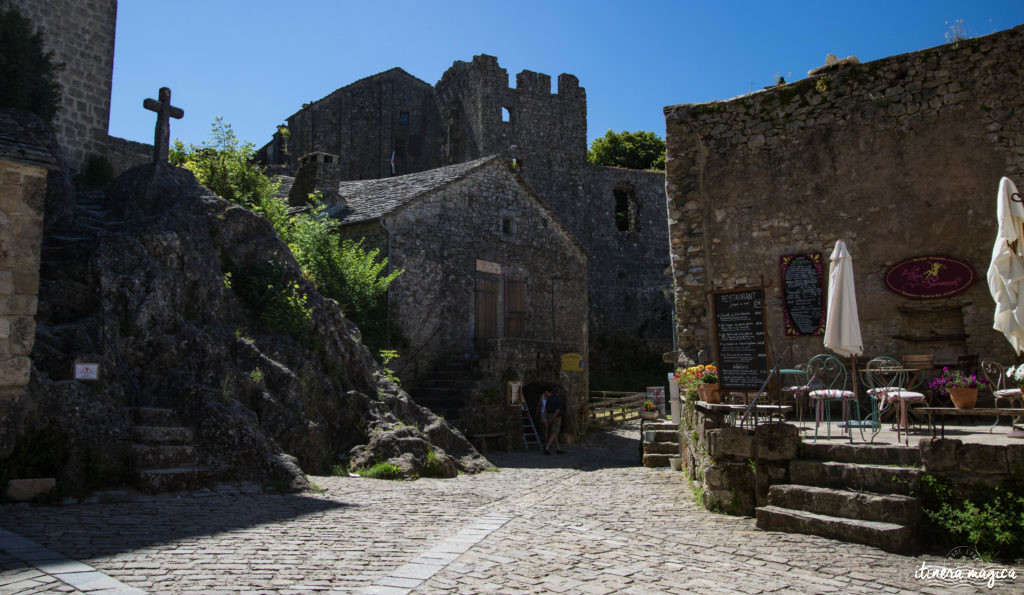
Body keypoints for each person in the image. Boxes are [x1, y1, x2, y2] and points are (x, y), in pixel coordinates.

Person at [544, 389, 565, 454]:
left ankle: (558, 448)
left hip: (549, 415)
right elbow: (557, 410)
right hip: (556, 417)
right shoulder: (560, 399)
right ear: (558, 392)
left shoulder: (549, 398)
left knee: (553, 431)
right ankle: (547, 447)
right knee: (555, 432)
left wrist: (547, 418)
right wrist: (553, 418)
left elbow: (546, 408)